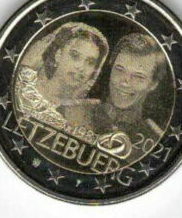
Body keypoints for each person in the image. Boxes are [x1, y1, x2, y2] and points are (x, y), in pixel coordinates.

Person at [64, 33, 167, 164]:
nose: (125, 82)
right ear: (111, 67)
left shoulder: (156, 141)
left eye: (138, 76)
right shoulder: (70, 112)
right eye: (119, 69)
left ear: (153, 84)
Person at [15, 22, 109, 129]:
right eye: (75, 56)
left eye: (90, 63)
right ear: (58, 55)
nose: (81, 67)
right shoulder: (22, 83)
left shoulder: (83, 117)